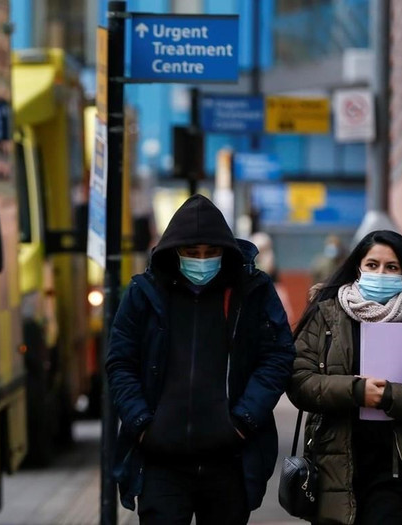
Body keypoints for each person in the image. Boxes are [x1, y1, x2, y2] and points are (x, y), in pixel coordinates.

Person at [106, 194, 295, 525]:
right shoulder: (144, 293)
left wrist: (243, 421)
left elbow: (277, 356)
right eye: (192, 253)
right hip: (161, 461)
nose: (202, 261)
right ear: (174, 252)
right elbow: (120, 362)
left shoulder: (252, 291)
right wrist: (142, 425)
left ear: (226, 251)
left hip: (229, 461)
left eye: (211, 253)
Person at [290, 230, 402, 525]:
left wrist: (389, 396)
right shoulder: (325, 315)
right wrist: (357, 391)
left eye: (391, 267)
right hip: (334, 467)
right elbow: (299, 381)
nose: (381, 273)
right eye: (372, 265)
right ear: (358, 267)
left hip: (400, 472)